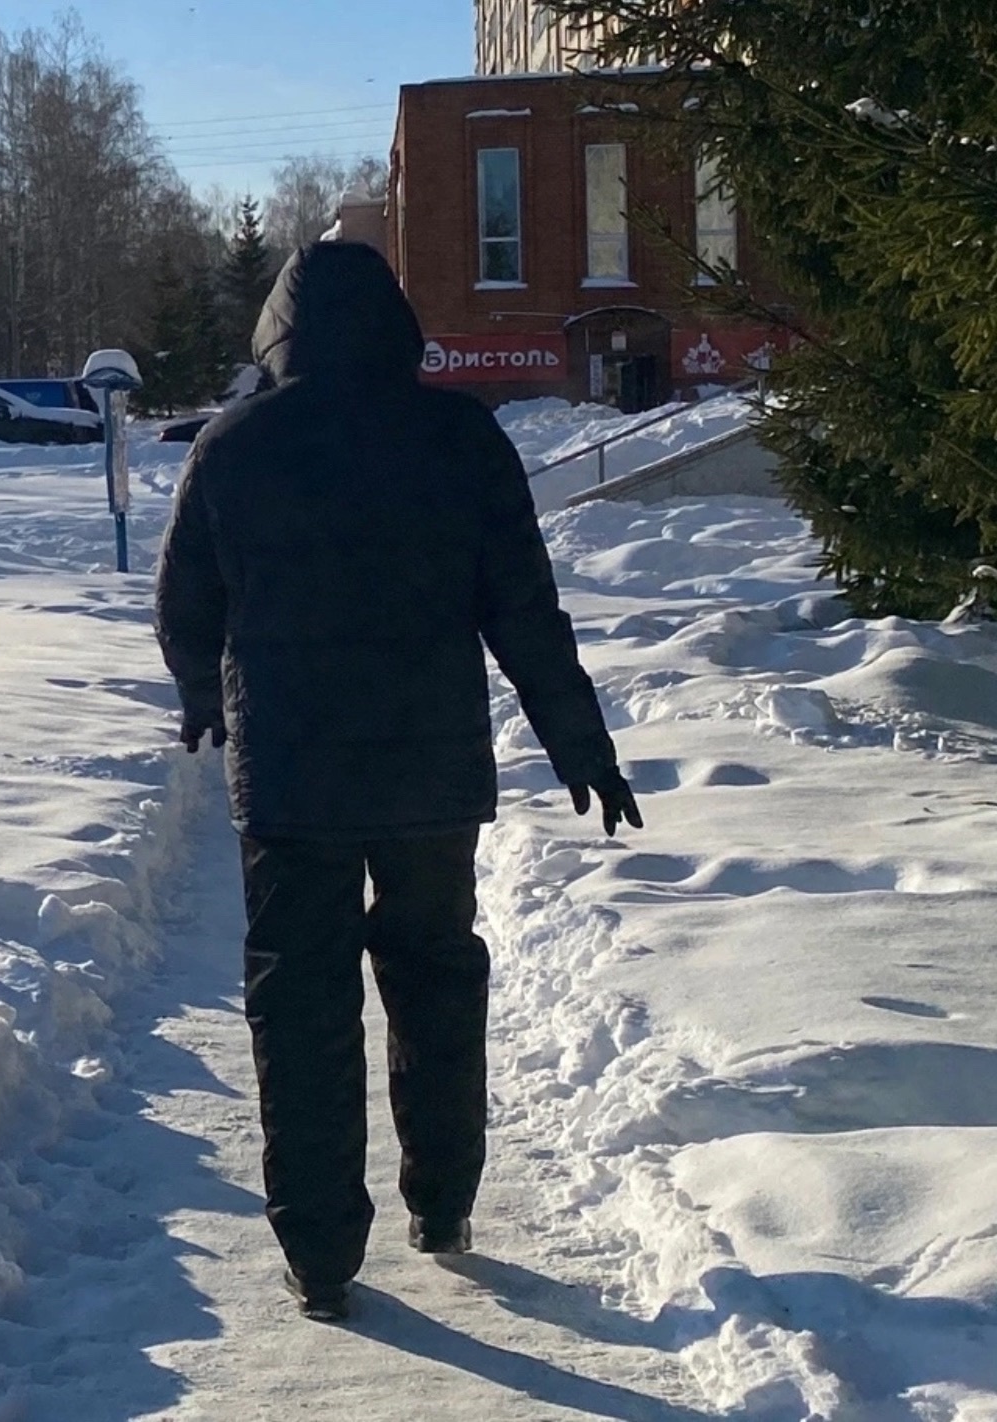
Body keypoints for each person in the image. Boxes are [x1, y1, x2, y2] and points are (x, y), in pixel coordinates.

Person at [153, 242, 641, 1324]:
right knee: (434, 974)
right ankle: (443, 1202)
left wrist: (202, 693)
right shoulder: (458, 438)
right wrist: (580, 747)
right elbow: (522, 612)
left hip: (287, 779)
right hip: (428, 770)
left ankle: (320, 1254)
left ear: (275, 333)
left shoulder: (233, 446)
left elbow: (185, 603)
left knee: (300, 999)